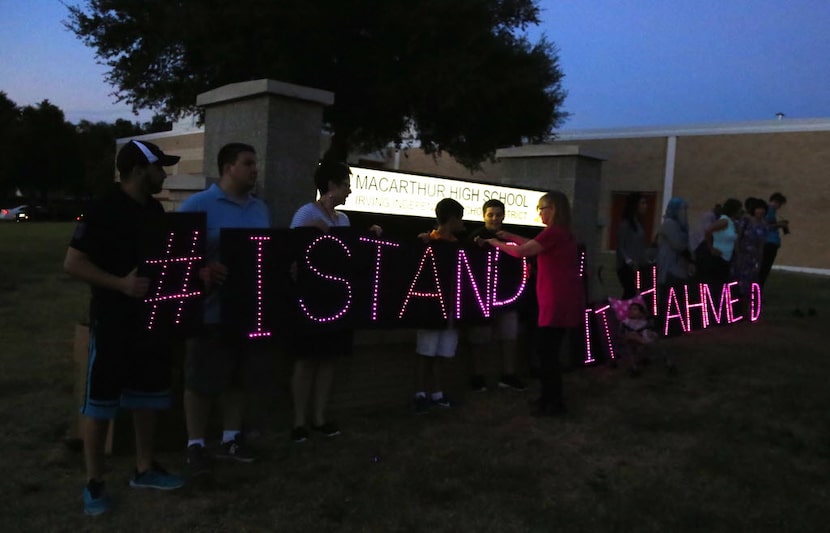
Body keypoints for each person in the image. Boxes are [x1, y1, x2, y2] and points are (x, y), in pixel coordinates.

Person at [64, 139, 185, 516]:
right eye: (159, 167)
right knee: (101, 403)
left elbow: (166, 259)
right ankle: (95, 481)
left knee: (147, 395)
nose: (164, 174)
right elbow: (73, 263)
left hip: (151, 323)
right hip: (114, 321)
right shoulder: (102, 209)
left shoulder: (155, 211)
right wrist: (121, 284)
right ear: (137, 170)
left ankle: (144, 467)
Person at [178, 142, 271, 477]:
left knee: (240, 376)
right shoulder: (197, 206)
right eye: (248, 163)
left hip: (249, 310)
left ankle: (232, 438)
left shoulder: (260, 209)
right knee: (202, 378)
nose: (254, 169)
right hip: (211, 311)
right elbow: (175, 257)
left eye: (255, 163)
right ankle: (196, 443)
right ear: (228, 167)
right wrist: (201, 269)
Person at [289, 160, 381, 440]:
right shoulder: (305, 213)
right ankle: (299, 421)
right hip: (311, 299)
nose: (349, 191)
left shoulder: (343, 220)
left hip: (337, 299)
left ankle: (319, 416)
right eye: (345, 185)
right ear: (331, 185)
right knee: (306, 359)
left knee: (328, 358)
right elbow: (291, 252)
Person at [486, 192, 584, 416]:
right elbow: (532, 244)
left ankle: (553, 402)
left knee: (546, 353)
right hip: (561, 298)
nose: (540, 212)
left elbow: (522, 251)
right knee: (548, 351)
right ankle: (548, 398)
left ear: (555, 209)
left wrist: (495, 242)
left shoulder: (554, 232)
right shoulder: (560, 233)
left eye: (543, 208)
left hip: (556, 301)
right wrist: (509, 235)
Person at [412, 198, 466, 414]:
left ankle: (436, 393)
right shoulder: (427, 243)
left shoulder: (457, 246)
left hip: (451, 308)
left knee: (442, 354)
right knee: (426, 353)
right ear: (452, 219)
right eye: (460, 219)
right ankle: (420, 394)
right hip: (431, 308)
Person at [467, 199, 526, 392]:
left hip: (507, 295)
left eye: (498, 214)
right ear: (484, 215)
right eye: (490, 214)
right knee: (480, 338)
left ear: (504, 216)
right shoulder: (474, 238)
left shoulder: (509, 238)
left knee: (509, 336)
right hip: (482, 298)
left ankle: (508, 375)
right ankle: (478, 376)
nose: (494, 218)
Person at [730, 197, 768, 301]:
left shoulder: (764, 226)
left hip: (752, 259)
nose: (761, 211)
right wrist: (737, 254)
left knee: (748, 286)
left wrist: (759, 261)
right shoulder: (745, 221)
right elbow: (738, 238)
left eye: (763, 209)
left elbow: (761, 245)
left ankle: (745, 310)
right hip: (741, 256)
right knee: (736, 283)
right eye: (758, 208)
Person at [615, 193, 649, 299]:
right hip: (626, 267)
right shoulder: (626, 224)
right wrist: (628, 260)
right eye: (642, 203)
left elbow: (640, 246)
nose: (645, 206)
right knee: (630, 292)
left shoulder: (638, 224)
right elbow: (620, 246)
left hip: (638, 266)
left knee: (633, 294)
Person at [703, 198, 743, 286]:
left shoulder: (732, 223)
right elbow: (708, 231)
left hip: (726, 258)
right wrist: (711, 248)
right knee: (716, 283)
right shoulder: (724, 221)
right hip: (719, 258)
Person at [656, 197, 692, 292]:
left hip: (680, 269)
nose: (684, 212)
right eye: (682, 209)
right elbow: (679, 245)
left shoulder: (681, 226)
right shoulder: (669, 224)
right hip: (669, 268)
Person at [620, 301, 658, 377]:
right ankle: (634, 367)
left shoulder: (645, 322)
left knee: (647, 336)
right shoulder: (625, 323)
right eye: (630, 309)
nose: (631, 311)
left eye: (634, 309)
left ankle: (642, 354)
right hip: (631, 341)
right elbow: (621, 334)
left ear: (640, 312)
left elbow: (653, 334)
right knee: (630, 337)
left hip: (645, 339)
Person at [760, 192, 789, 288]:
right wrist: (779, 225)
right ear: (776, 202)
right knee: (764, 269)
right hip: (768, 243)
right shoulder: (768, 210)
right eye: (779, 204)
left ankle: (757, 292)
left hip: (771, 243)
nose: (779, 207)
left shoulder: (771, 211)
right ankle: (756, 293)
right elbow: (764, 226)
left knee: (765, 269)